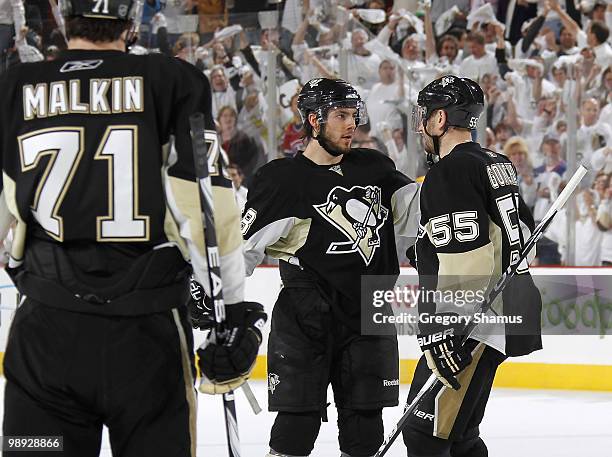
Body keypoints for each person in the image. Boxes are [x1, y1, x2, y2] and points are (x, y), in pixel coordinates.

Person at [0, 1, 265, 455]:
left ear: (65, 15)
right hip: (147, 340)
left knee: (35, 450)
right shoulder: (173, 80)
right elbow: (206, 207)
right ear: (131, 19)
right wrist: (232, 315)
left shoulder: (14, 85)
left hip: (45, 337)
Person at [241, 78, 420, 457]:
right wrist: (210, 295)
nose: (351, 124)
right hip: (307, 318)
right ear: (313, 120)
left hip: (370, 313)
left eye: (354, 115)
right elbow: (242, 252)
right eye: (340, 115)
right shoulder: (281, 181)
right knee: (295, 428)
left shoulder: (375, 168)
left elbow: (425, 214)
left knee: (365, 433)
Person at [403, 75, 542, 457]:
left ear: (441, 119)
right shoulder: (495, 162)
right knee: (460, 436)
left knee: (423, 435)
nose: (420, 125)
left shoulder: (448, 171)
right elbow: (518, 232)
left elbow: (470, 257)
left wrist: (442, 327)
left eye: (425, 116)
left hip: (469, 325)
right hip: (500, 316)